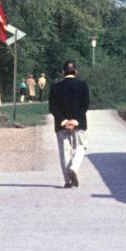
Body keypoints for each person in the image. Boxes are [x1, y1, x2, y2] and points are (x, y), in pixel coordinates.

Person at [49, 60, 89, 188]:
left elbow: (53, 107)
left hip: (61, 124)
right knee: (81, 145)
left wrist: (64, 121)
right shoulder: (82, 85)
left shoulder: (55, 87)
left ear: (63, 72)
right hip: (78, 123)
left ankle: (68, 180)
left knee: (64, 151)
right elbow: (85, 104)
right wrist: (75, 120)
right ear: (75, 71)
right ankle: (74, 168)